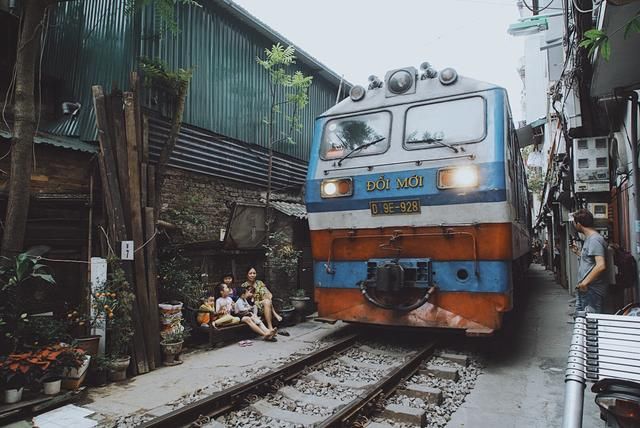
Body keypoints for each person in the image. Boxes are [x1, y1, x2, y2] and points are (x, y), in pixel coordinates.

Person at [570, 209, 608, 313]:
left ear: (578, 224)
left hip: (592, 290)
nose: (574, 225)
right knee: (583, 323)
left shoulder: (594, 239)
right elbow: (591, 261)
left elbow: (601, 265)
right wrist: (578, 253)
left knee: (591, 324)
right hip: (587, 290)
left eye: (574, 222)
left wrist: (584, 283)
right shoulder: (590, 239)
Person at [241, 267, 282, 331]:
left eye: (254, 273)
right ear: (247, 275)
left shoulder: (259, 282)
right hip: (253, 307)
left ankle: (270, 327)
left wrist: (265, 296)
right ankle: (274, 313)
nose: (252, 275)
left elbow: (269, 295)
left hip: (263, 304)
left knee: (265, 296)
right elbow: (243, 299)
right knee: (266, 301)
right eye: (250, 273)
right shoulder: (244, 285)